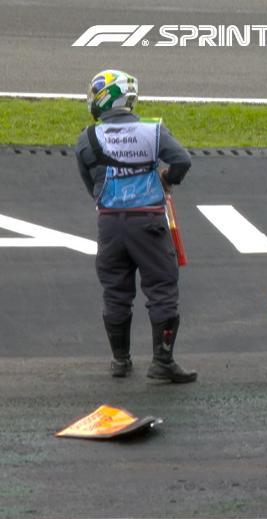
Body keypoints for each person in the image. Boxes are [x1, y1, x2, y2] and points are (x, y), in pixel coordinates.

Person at [75, 69, 195, 382]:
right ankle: (162, 362)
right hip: (149, 223)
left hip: (110, 225)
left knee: (115, 292)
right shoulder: (153, 131)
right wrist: (167, 179)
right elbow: (182, 160)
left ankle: (120, 361)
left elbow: (92, 184)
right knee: (162, 289)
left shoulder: (87, 138)